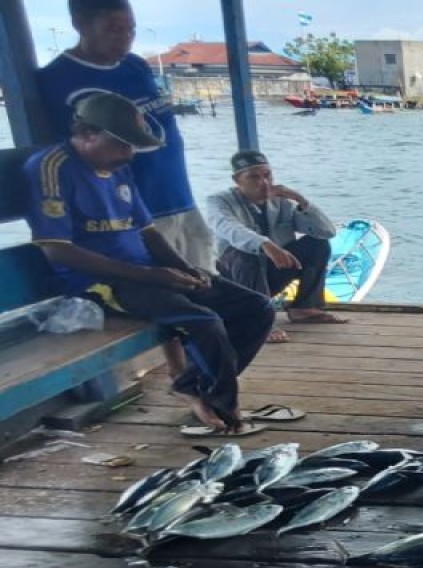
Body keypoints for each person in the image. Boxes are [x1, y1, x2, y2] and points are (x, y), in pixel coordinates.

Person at [23, 92, 276, 437]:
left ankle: (193, 385)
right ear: (86, 134)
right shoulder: (51, 168)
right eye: (121, 145)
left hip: (147, 273)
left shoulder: (120, 169)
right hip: (99, 283)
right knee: (205, 321)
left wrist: (185, 269)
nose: (128, 154)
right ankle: (224, 407)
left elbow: (149, 233)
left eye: (132, 147)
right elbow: (57, 250)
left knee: (256, 307)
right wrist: (153, 275)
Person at [40, 0, 216, 381]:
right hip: (129, 204)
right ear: (79, 24)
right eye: (113, 29)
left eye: (130, 29)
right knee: (169, 295)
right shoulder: (57, 79)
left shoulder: (136, 66)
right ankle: (182, 377)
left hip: (177, 193)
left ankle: (198, 377)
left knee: (201, 281)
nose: (124, 39)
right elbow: (68, 153)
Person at [207, 150, 343, 343]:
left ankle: (304, 308)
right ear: (237, 180)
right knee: (246, 251)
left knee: (317, 245)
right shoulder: (218, 202)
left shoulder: (281, 202)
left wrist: (301, 201)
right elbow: (231, 229)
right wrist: (265, 244)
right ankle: (257, 321)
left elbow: (326, 231)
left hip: (269, 274)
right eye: (254, 177)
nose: (264, 182)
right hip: (234, 280)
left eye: (267, 175)